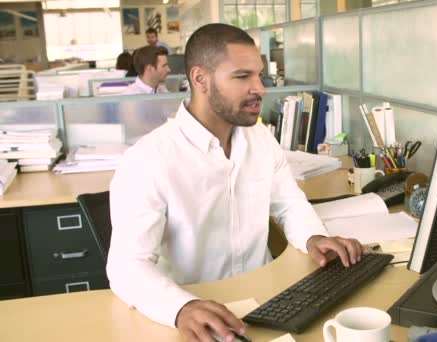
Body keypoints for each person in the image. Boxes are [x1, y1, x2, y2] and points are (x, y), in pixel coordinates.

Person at [107, 23, 366, 342]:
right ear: (200, 78)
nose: (259, 88)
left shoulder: (260, 138)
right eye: (242, 77)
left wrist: (313, 236)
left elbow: (290, 204)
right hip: (195, 313)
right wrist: (181, 308)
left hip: (269, 300)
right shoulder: (149, 159)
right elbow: (126, 267)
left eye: (259, 75)